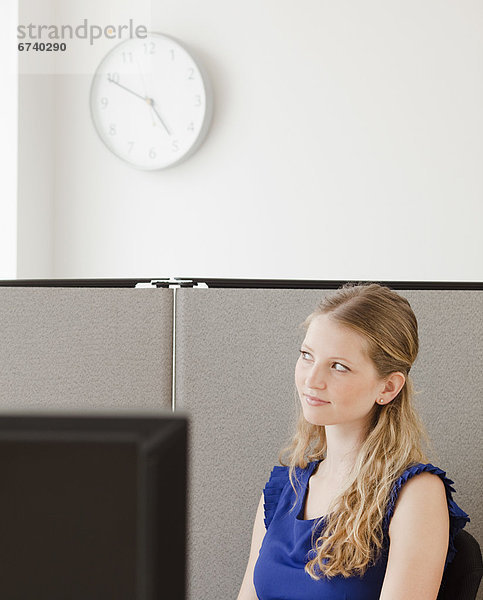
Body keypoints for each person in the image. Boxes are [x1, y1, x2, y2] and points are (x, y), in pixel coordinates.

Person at [237, 282, 470, 600]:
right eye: (307, 355)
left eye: (338, 366)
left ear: (387, 387)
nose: (312, 379)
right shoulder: (282, 490)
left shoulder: (415, 493)